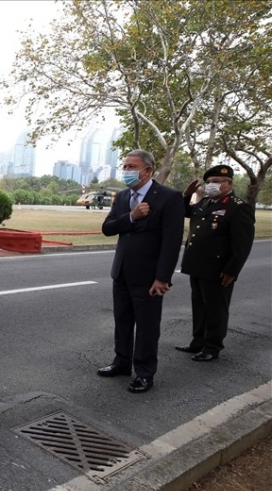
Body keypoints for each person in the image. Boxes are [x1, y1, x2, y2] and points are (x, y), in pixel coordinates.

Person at [98, 149, 184, 393]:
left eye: (131, 167)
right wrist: (132, 217)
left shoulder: (168, 197)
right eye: (124, 166)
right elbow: (108, 228)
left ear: (147, 171)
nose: (126, 171)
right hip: (122, 272)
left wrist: (162, 277)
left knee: (147, 326)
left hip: (149, 277)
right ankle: (121, 362)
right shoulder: (123, 197)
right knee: (122, 321)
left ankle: (145, 373)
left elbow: (171, 241)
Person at [176, 165, 255, 361]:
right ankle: (198, 342)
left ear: (229, 184)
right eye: (209, 182)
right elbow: (184, 211)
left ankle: (212, 347)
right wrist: (186, 195)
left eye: (216, 182)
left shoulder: (237, 207)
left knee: (215, 308)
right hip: (197, 265)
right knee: (199, 305)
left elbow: (242, 244)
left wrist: (232, 270)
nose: (211, 185)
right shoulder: (205, 202)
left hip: (218, 269)